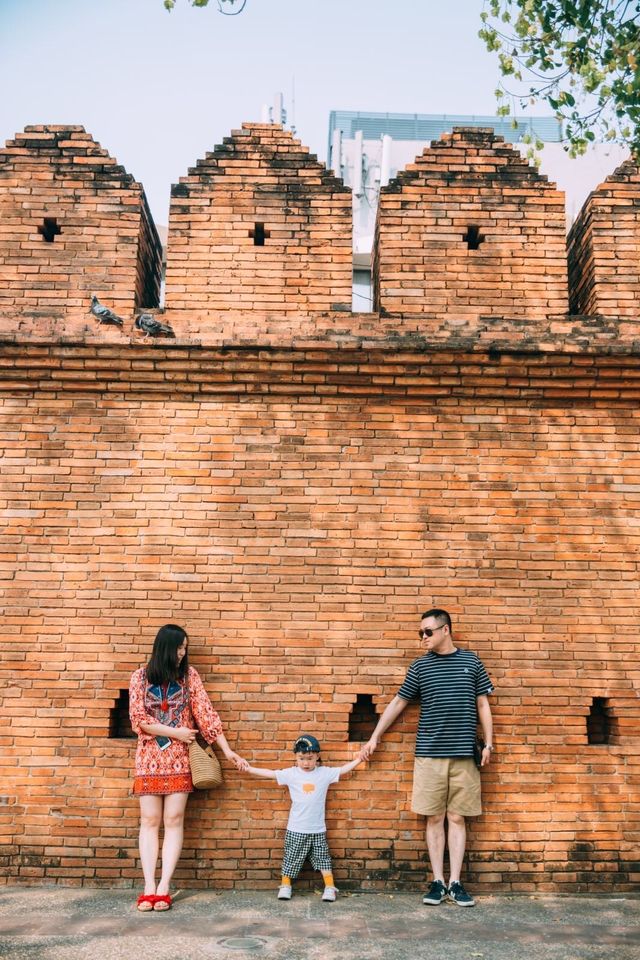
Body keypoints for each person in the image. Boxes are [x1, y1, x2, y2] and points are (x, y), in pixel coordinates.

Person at [360, 608, 494, 908]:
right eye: (420, 633)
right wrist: (374, 736)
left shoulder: (471, 662)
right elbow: (398, 702)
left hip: (463, 754)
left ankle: (456, 883)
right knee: (433, 817)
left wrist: (489, 745)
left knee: (458, 818)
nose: (423, 637)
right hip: (430, 754)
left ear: (446, 630)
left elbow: (483, 705)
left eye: (428, 632)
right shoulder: (420, 668)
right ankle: (437, 881)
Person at [129, 623, 246, 912]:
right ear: (166, 648)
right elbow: (138, 719)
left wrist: (228, 751)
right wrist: (176, 733)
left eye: (185, 647)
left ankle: (164, 886)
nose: (183, 652)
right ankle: (148, 886)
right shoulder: (140, 678)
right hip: (149, 757)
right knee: (149, 820)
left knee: (174, 818)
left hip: (181, 758)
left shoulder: (189, 676)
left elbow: (206, 715)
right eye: (179, 647)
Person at [242, 734, 363, 902]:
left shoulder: (324, 773)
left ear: (317, 757)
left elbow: (342, 770)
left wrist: (359, 759)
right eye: (301, 758)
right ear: (295, 757)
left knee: (323, 858)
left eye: (310, 758)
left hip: (318, 829)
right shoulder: (291, 774)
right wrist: (249, 768)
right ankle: (285, 885)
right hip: (296, 827)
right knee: (291, 857)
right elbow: (270, 774)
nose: (306, 763)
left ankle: (330, 887)